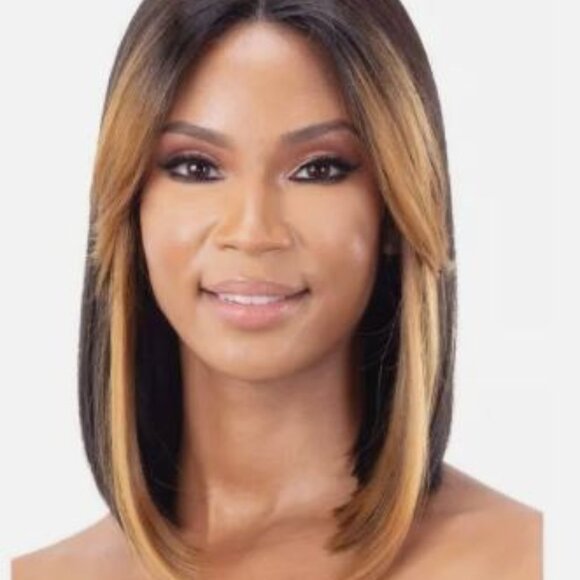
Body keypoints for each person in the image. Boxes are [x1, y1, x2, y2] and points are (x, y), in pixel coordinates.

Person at [12, 1, 542, 578]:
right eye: (195, 167)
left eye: (319, 168)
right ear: (131, 205)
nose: (253, 231)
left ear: (396, 207)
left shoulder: (523, 558)